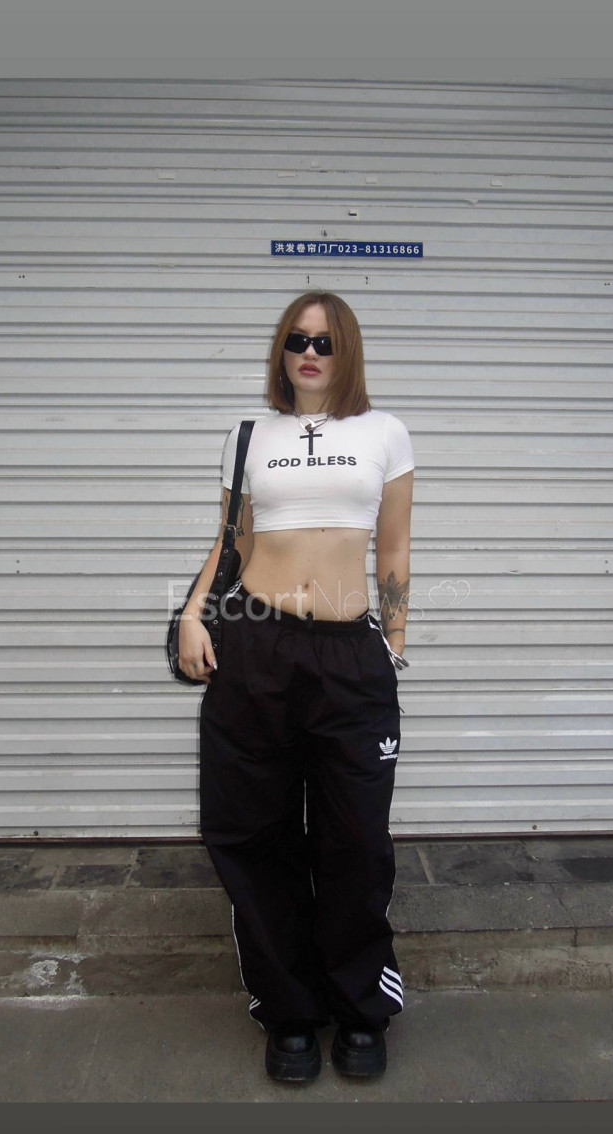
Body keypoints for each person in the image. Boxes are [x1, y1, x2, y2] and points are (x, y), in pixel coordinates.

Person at [178, 291, 414, 1083]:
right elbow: (231, 543)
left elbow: (393, 547)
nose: (309, 354)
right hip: (257, 645)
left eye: (324, 342)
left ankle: (359, 1007)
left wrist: (394, 644)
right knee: (255, 833)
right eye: (296, 340)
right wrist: (192, 614)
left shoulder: (384, 433)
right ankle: (287, 1011)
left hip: (348, 653)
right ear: (280, 351)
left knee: (355, 841)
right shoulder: (248, 435)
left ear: (347, 351)